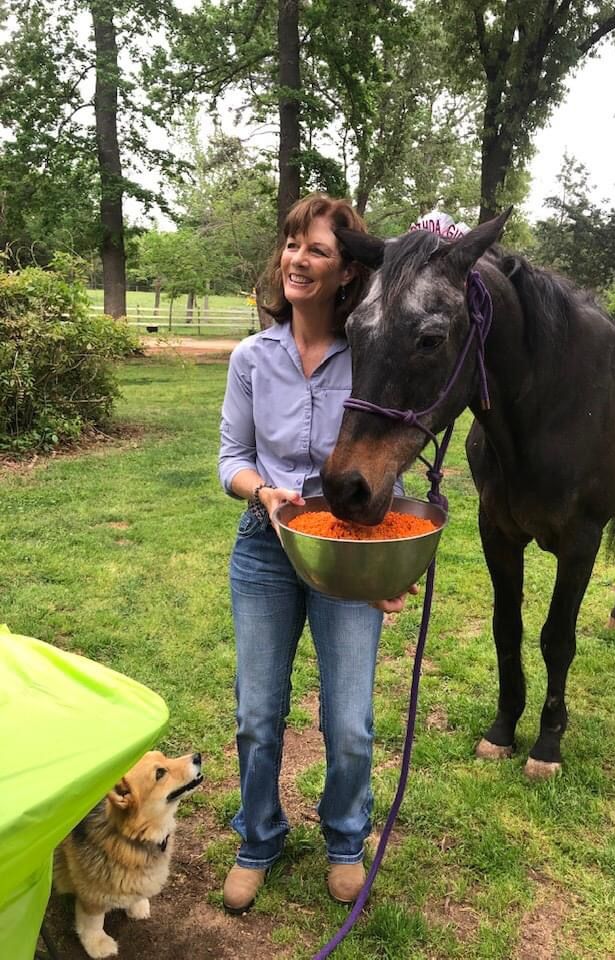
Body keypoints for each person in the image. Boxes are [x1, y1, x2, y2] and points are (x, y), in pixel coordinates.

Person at [218, 193, 414, 914]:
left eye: (319, 250)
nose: (298, 259)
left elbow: (396, 463)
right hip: (265, 551)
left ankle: (343, 839)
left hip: (349, 548)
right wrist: (263, 494)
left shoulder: (369, 359)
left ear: (346, 272)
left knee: (351, 722)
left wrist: (390, 567)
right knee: (257, 714)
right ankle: (258, 838)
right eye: (293, 244)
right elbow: (230, 459)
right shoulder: (251, 357)